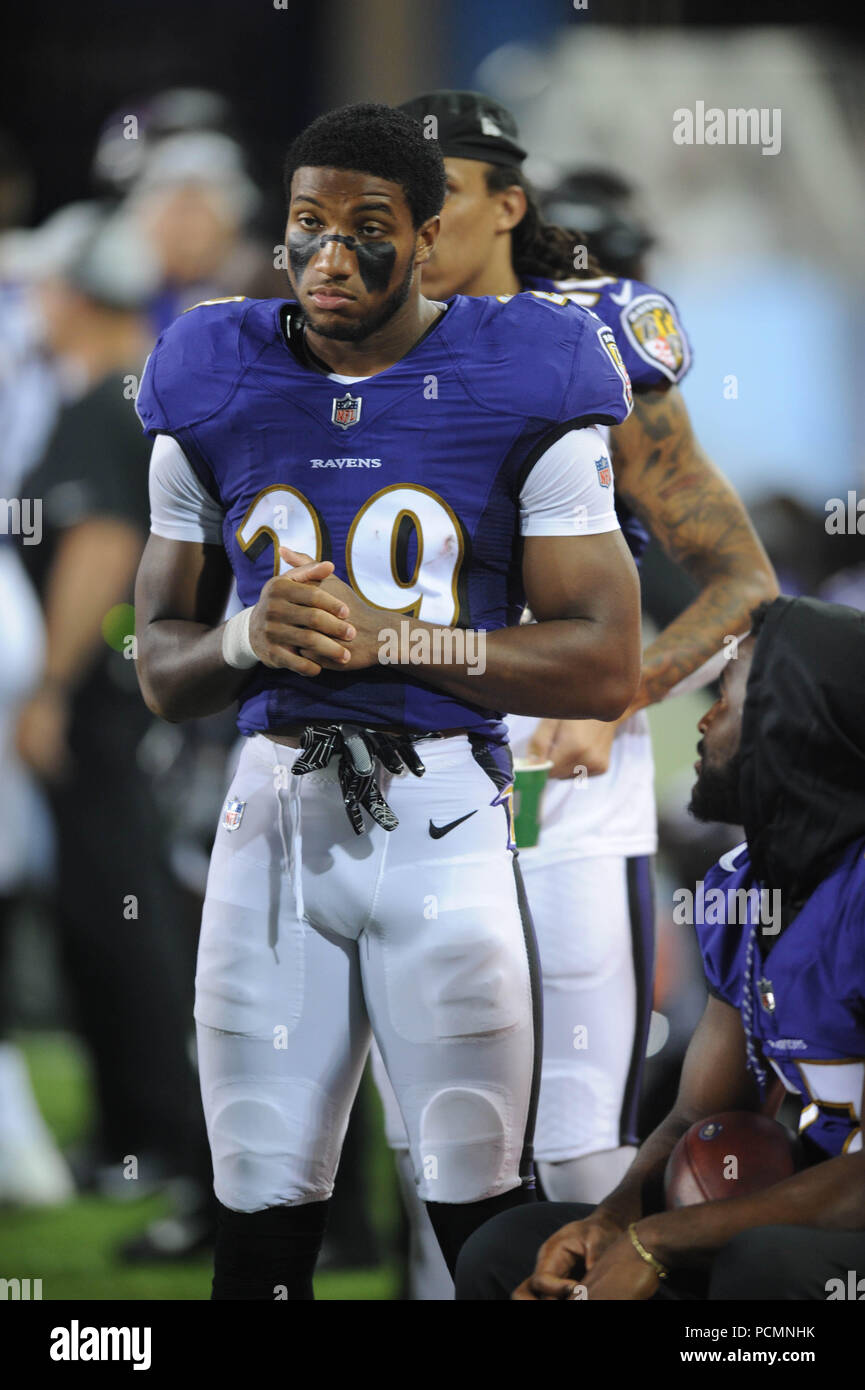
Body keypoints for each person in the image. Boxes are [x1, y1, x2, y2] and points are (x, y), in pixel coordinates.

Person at [133, 101, 642, 1300]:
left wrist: (408, 637)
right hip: (273, 824)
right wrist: (249, 633)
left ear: (427, 239)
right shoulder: (210, 371)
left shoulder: (528, 370)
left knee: (481, 1211)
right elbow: (159, 666)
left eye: (367, 228)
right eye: (307, 224)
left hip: (448, 823)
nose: (328, 254)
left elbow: (604, 663)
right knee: (258, 1209)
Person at [371, 89, 776, 1298]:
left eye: (435, 189)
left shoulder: (598, 340)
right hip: (396, 770)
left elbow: (739, 577)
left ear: (507, 200)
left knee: (575, 1133)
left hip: (552, 774)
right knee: (437, 1135)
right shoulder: (334, 342)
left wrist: (616, 694)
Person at [455, 595, 865, 1299]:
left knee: (762, 1265)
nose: (702, 720)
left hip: (821, 1244)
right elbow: (695, 1118)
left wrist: (663, 1239)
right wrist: (614, 1222)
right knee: (510, 1248)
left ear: (793, 725)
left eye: (727, 699)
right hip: (806, 1220)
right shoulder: (740, 889)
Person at [14, 207, 213, 1248]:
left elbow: (98, 544)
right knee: (112, 915)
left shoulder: (106, 398)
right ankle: (140, 1133)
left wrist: (46, 685)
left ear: (74, 294)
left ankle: (170, 1135)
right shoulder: (130, 389)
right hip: (120, 690)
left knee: (124, 915)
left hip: (106, 699)